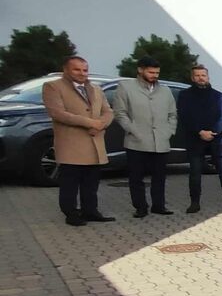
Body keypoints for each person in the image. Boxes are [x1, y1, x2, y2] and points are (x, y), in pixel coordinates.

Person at [43, 56, 115, 226]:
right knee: (70, 184)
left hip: (95, 143)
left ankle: (90, 211)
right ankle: (71, 214)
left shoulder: (96, 89)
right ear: (66, 69)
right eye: (77, 69)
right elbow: (58, 113)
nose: (82, 73)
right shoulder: (53, 87)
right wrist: (91, 123)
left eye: (85, 70)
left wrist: (101, 125)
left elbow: (108, 111)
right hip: (71, 145)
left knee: (91, 183)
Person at [113, 56, 178, 218]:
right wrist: (132, 129)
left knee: (159, 177)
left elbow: (172, 114)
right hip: (136, 141)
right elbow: (120, 113)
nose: (154, 75)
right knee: (136, 177)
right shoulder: (126, 87)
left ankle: (159, 205)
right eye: (151, 72)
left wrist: (169, 131)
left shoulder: (165, 90)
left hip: (161, 141)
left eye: (157, 72)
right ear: (140, 70)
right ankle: (140, 207)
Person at [177, 65, 222, 213]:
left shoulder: (219, 96)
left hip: (218, 140)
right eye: (197, 75)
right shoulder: (185, 95)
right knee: (195, 173)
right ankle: (194, 203)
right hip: (195, 139)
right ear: (192, 77)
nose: (200, 78)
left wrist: (213, 131)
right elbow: (184, 116)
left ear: (208, 77)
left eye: (203, 75)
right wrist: (199, 131)